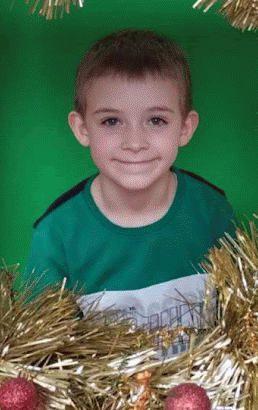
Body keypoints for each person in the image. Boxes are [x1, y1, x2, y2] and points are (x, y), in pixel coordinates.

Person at [23, 28, 236, 347]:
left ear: (184, 128)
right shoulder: (56, 235)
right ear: (82, 129)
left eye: (156, 121)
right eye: (111, 121)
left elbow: (242, 318)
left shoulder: (212, 211)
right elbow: (41, 347)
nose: (135, 143)